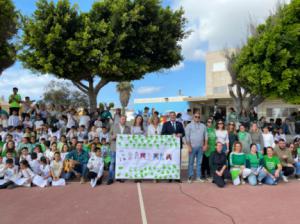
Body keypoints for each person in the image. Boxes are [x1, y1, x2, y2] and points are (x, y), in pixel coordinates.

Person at [161, 111, 185, 182]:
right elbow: (163, 134)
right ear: (169, 116)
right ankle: (170, 176)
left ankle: (177, 177)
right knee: (170, 161)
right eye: (171, 115)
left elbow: (183, 133)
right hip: (169, 147)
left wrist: (180, 134)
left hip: (178, 146)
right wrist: (170, 136)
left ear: (175, 116)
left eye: (174, 115)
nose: (172, 116)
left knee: (177, 161)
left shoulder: (179, 124)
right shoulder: (166, 124)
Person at [185, 112, 208, 183]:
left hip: (200, 147)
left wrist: (205, 145)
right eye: (196, 116)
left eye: (198, 117)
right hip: (192, 147)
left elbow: (206, 136)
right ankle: (190, 177)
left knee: (199, 163)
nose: (197, 118)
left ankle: (198, 177)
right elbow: (187, 137)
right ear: (193, 117)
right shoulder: (189, 126)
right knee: (191, 162)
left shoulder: (203, 126)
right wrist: (189, 146)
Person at [108, 115, 131, 185]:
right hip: (114, 147)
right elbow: (109, 135)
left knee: (121, 163)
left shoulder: (128, 128)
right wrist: (112, 137)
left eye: (125, 119)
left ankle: (120, 176)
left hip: (123, 149)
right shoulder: (114, 126)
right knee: (112, 163)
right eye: (122, 119)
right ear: (120, 120)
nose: (123, 120)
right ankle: (110, 178)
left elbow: (129, 138)